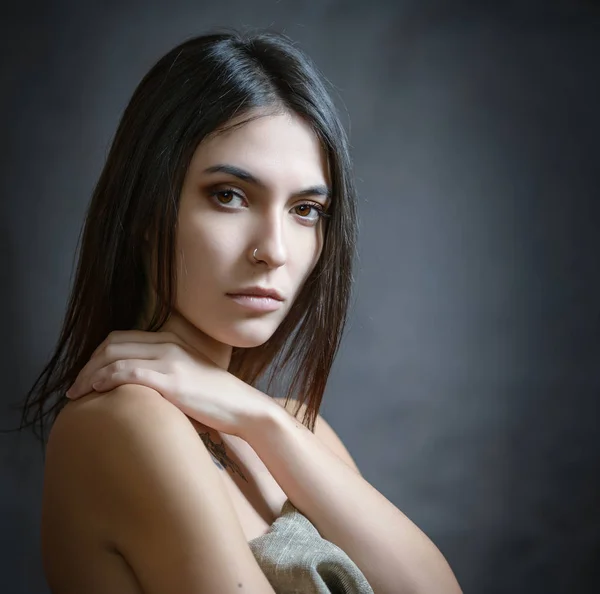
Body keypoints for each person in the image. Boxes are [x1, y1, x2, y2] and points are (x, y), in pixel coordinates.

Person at [19, 28, 462, 594]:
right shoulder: (124, 421)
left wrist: (262, 419)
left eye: (305, 209)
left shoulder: (294, 427)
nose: (274, 250)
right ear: (146, 210)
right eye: (229, 195)